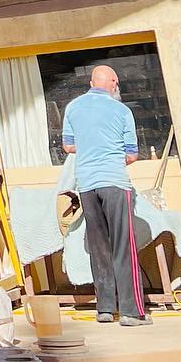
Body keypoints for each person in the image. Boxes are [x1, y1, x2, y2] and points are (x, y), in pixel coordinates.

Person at [61, 64, 148, 325]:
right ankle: (132, 312)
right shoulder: (122, 110)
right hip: (113, 181)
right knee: (124, 245)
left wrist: (89, 146)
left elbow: (68, 146)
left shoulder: (73, 108)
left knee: (99, 247)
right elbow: (131, 154)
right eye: (116, 83)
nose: (116, 87)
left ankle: (105, 309)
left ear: (90, 82)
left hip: (87, 185)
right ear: (112, 82)